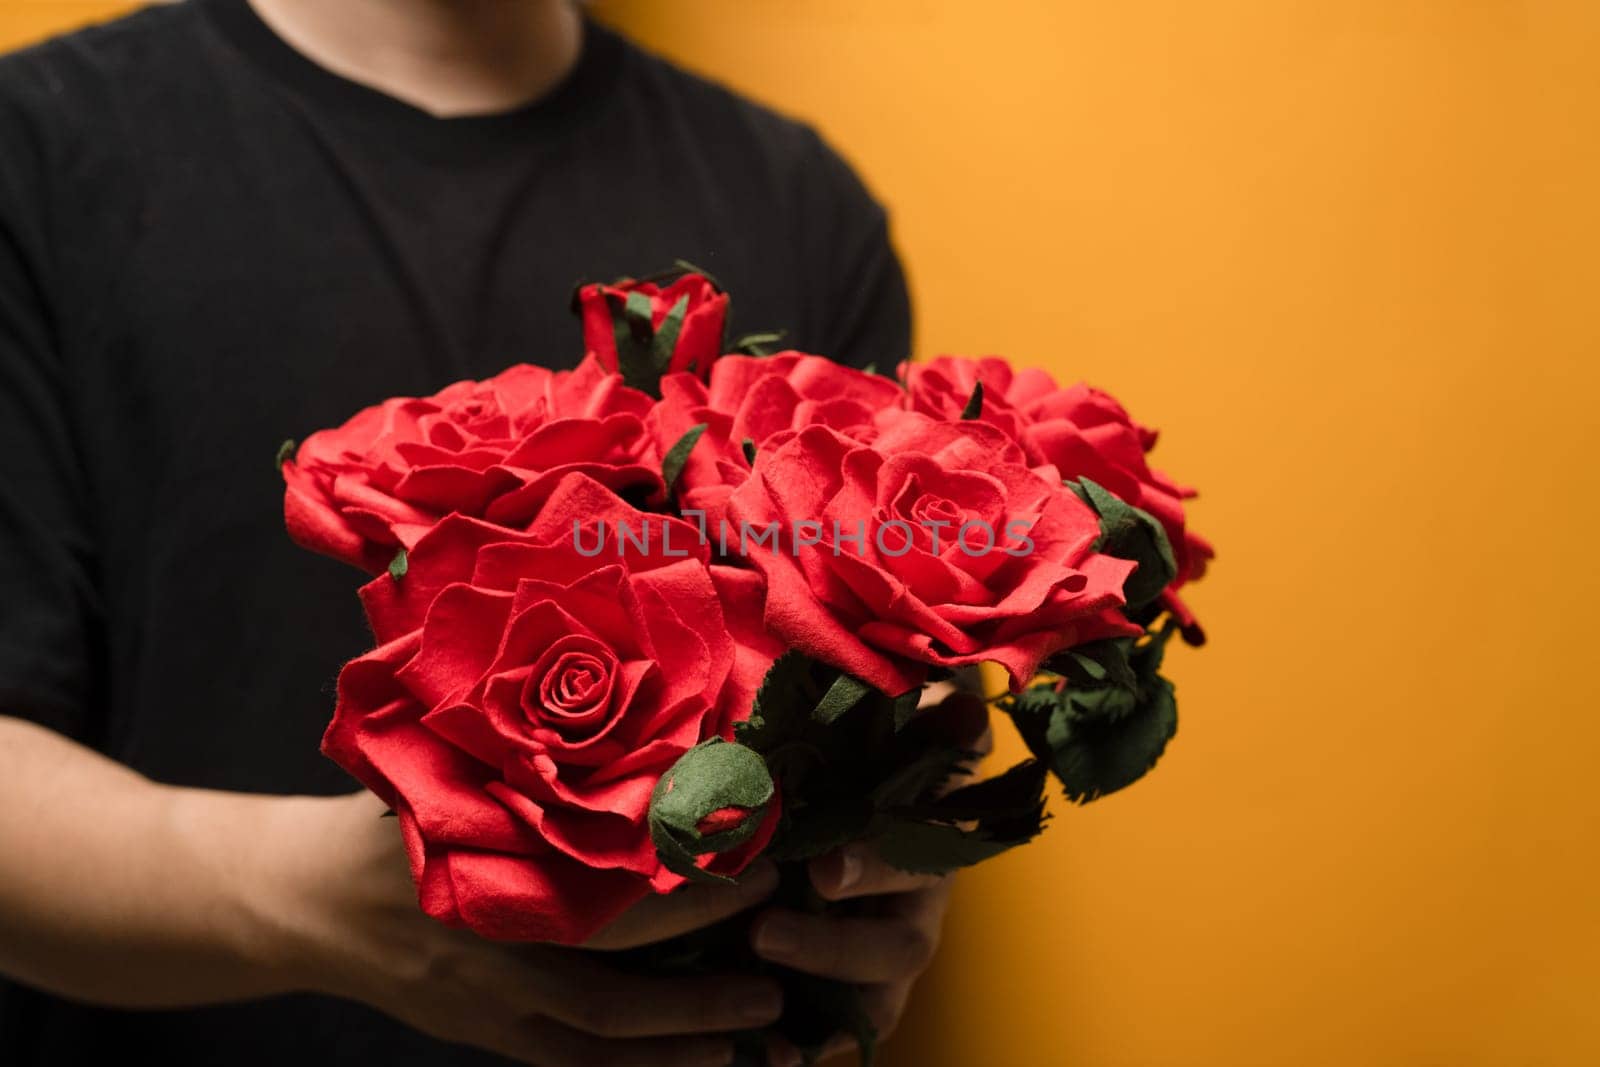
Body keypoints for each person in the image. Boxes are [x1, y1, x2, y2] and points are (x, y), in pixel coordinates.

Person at [0, 1, 957, 1064]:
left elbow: (866, 694)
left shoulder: (799, 205)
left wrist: (882, 851)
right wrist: (323, 900)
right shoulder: (36, 148)